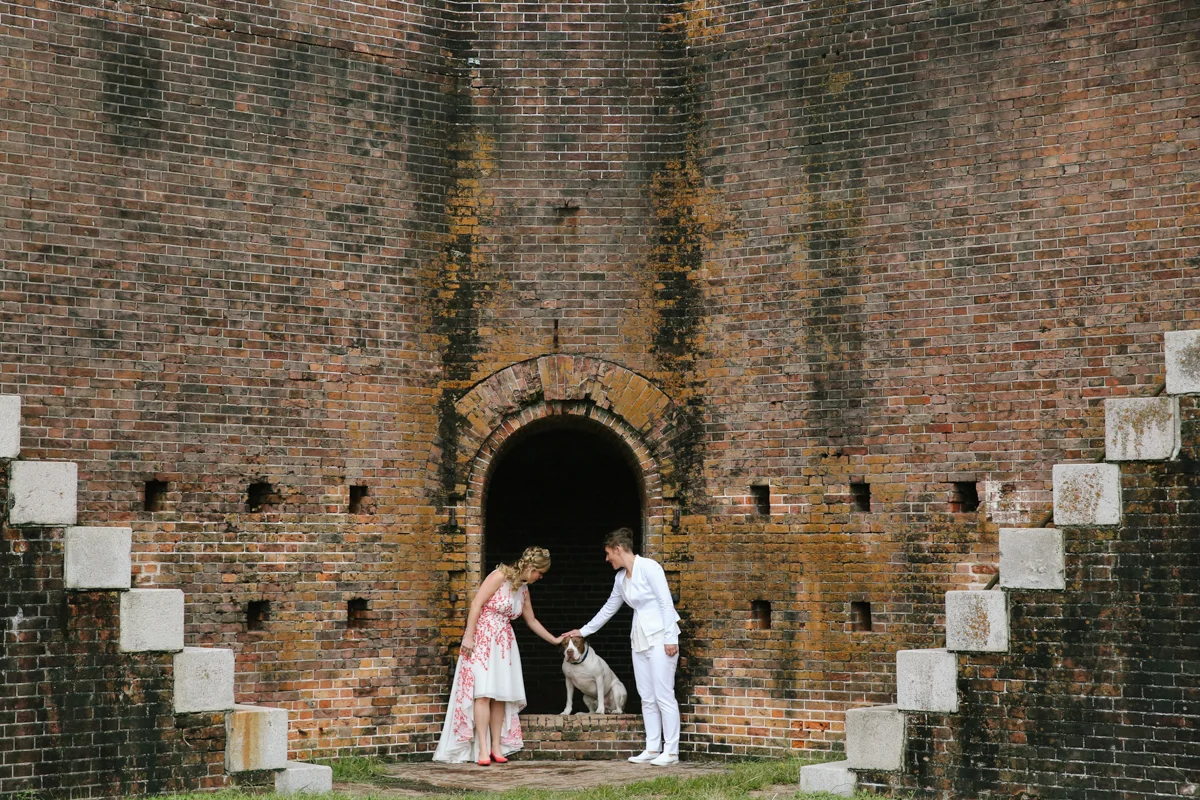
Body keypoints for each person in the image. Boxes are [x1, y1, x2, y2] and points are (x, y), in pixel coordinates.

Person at [562, 528, 682, 766]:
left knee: (664, 694)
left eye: (609, 554)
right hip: (639, 639)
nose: (607, 559)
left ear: (618, 549)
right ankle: (652, 747)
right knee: (647, 696)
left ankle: (671, 751)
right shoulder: (620, 579)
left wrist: (671, 637)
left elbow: (666, 603)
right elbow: (609, 608)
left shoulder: (649, 568)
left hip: (660, 637)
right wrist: (582, 631)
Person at [433, 546, 560, 765]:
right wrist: (469, 636)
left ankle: (496, 747)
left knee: (500, 694)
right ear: (532, 567)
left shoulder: (523, 589)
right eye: (540, 573)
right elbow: (476, 604)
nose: (540, 577)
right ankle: (482, 748)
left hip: (504, 643)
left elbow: (532, 621)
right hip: (483, 637)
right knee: (483, 693)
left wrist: (555, 640)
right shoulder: (500, 575)